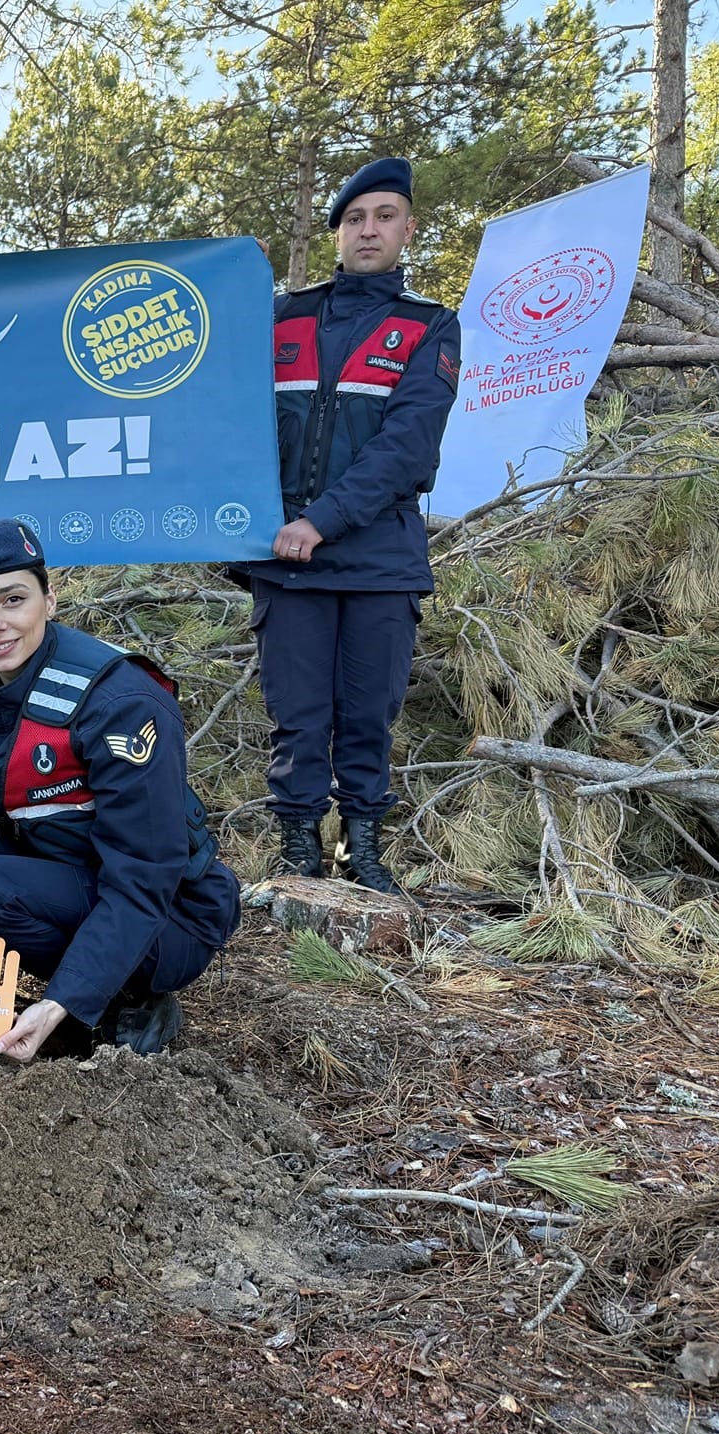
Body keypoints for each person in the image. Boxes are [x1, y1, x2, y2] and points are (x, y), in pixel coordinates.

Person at [0, 520, 240, 1063]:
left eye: (13, 599)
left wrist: (62, 1000)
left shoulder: (118, 702)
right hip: (56, 868)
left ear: (49, 601)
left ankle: (124, 998)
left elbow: (145, 877)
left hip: (168, 915)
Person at [239, 156, 462, 893]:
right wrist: (230, 286)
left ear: (407, 228)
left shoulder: (429, 328)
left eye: (384, 216)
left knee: (367, 716)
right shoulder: (280, 316)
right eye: (355, 218)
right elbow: (213, 395)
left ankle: (363, 852)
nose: (369, 231)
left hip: (378, 561)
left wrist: (322, 522)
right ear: (336, 231)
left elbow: (408, 447)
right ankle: (299, 850)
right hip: (287, 560)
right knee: (298, 720)